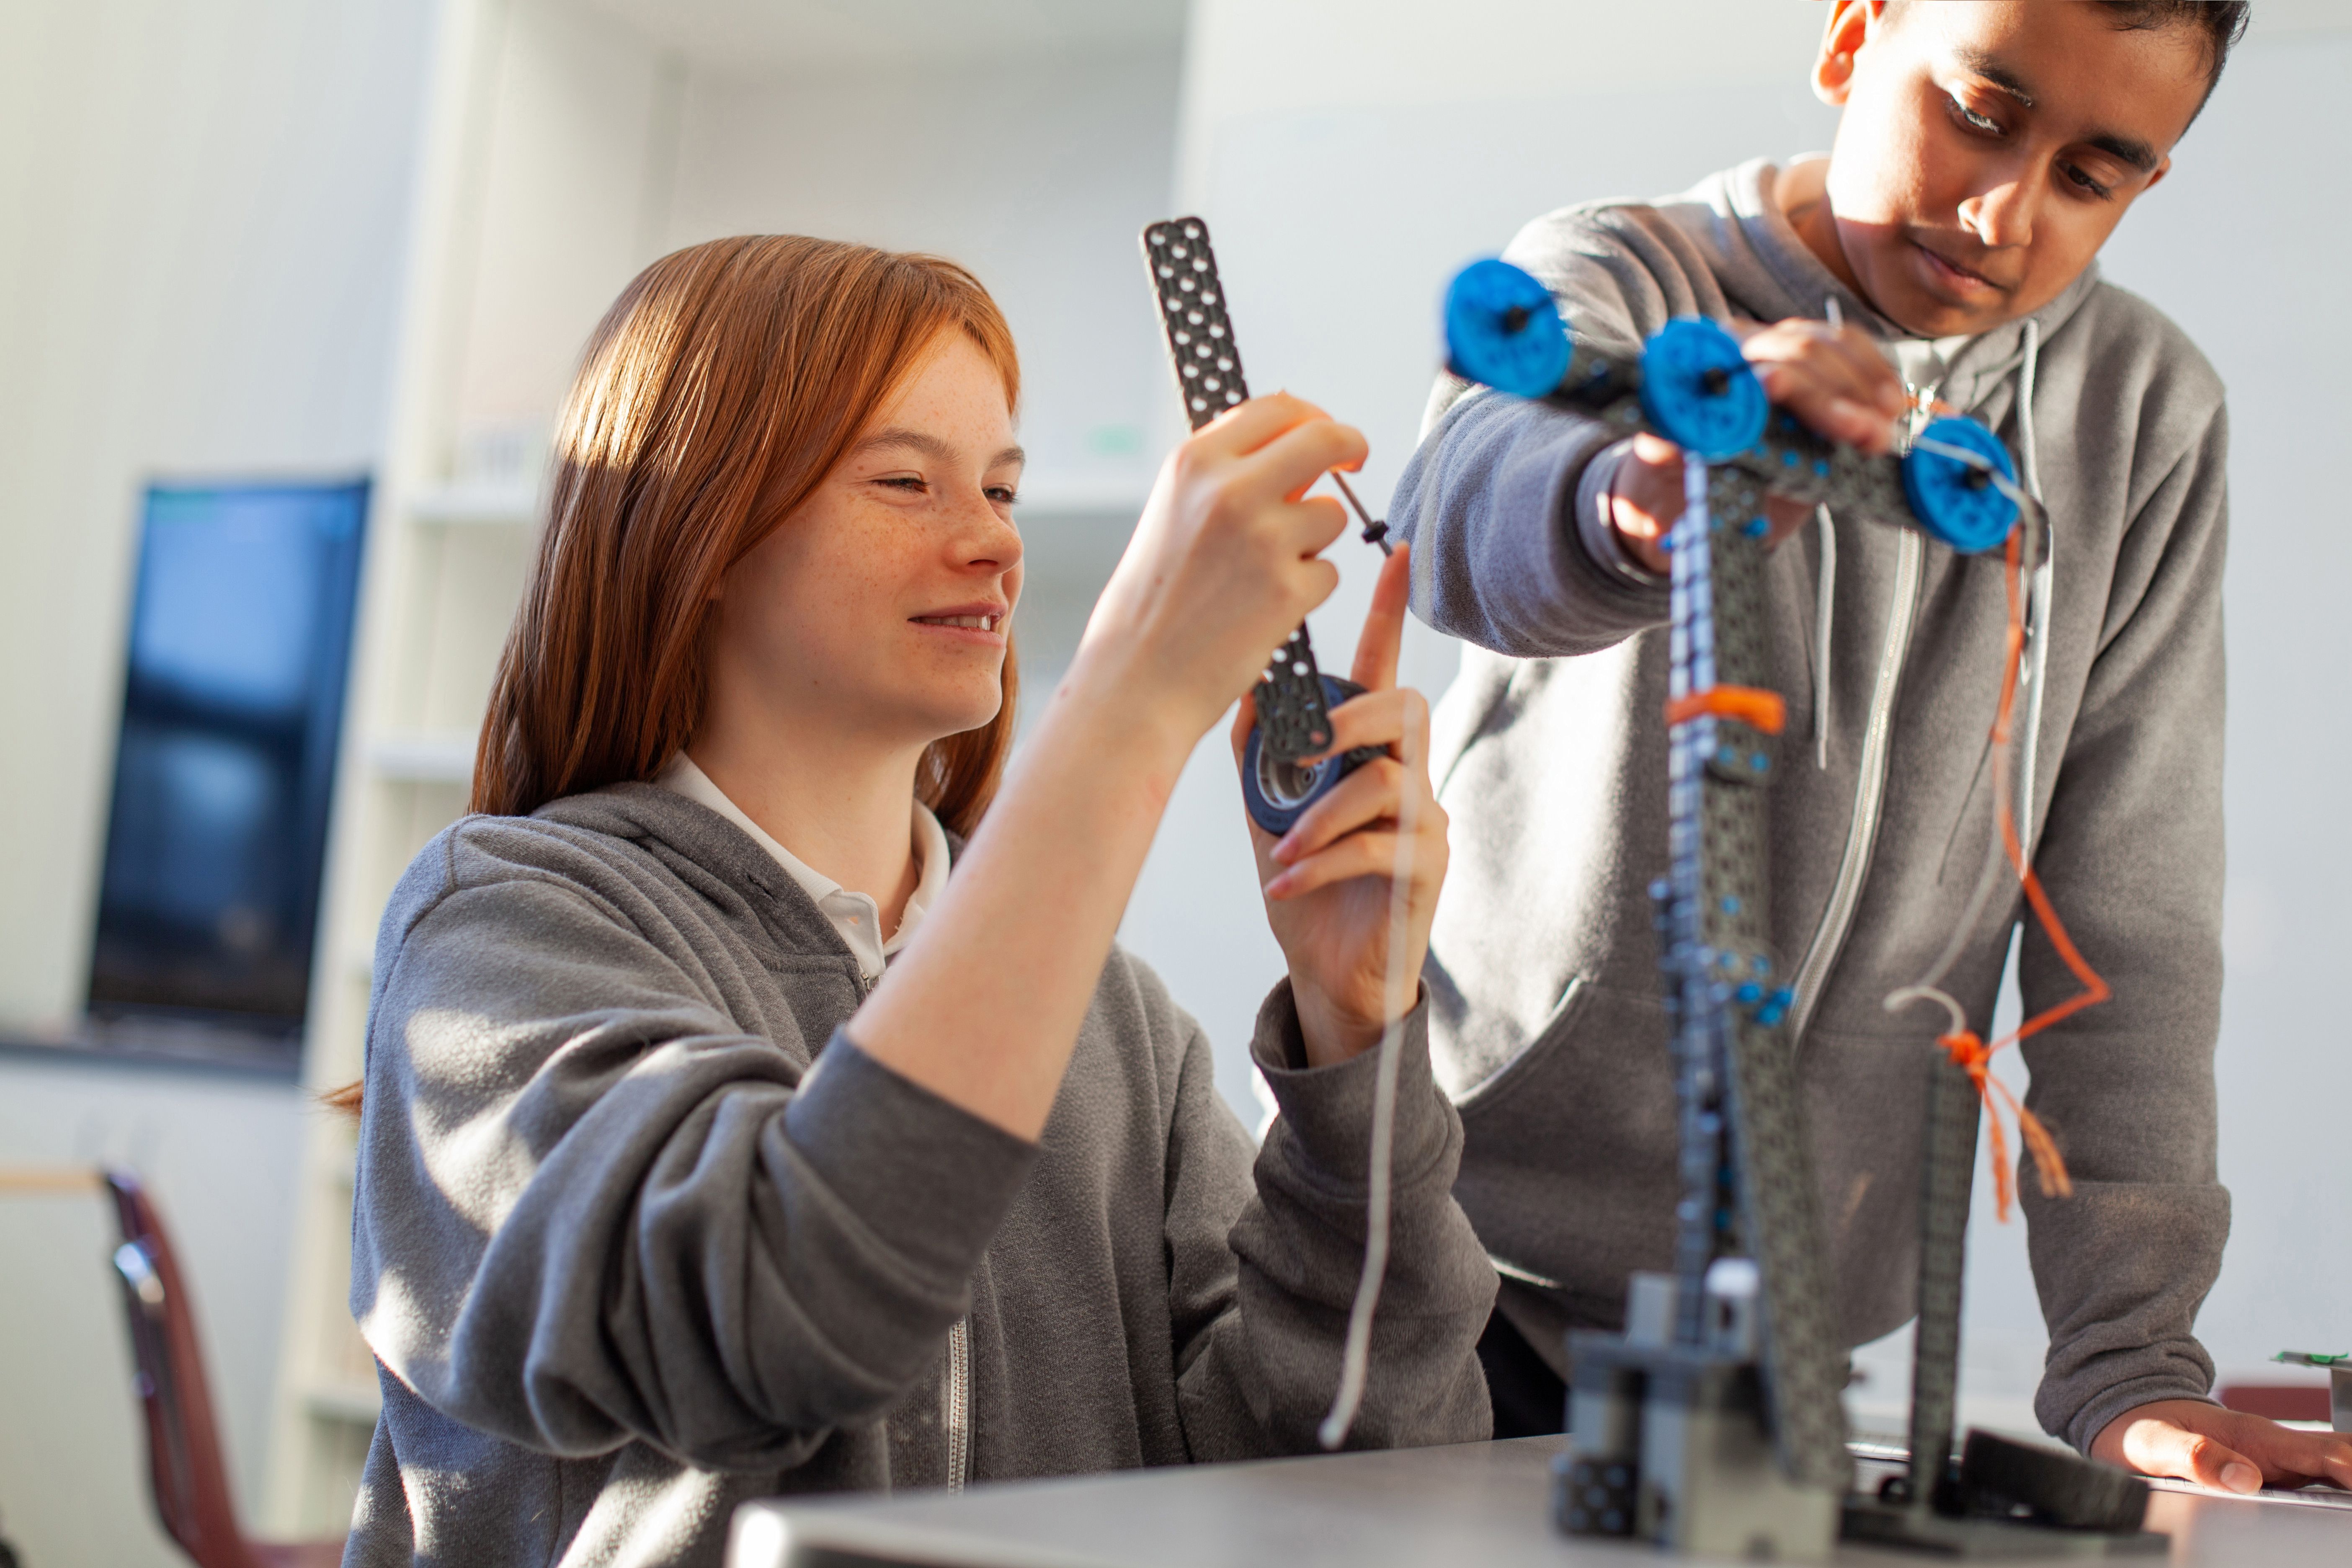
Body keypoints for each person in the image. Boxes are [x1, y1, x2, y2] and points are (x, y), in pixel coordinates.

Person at [338, 235, 1492, 1567]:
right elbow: (772, 1321)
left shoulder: (1114, 1024)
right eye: (907, 481)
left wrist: (1356, 1045)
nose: (994, 540)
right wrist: (1131, 702)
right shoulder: (504, 929)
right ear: (697, 530)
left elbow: (1371, 1468)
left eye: (1003, 487)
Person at [1394, 0, 2352, 1494]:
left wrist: (2127, 1361)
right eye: (1981, 110)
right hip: (1444, 1267)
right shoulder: (1619, 278)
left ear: (2145, 182)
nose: (2001, 210)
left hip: (1782, 1332)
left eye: (2089, 174)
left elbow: (2132, 914)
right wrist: (1639, 499)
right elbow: (1466, 521)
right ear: (1853, 38)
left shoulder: (2145, 418)